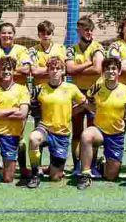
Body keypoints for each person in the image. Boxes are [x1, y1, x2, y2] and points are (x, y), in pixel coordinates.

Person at [77, 58, 126, 190]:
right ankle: (85, 174)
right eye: (107, 69)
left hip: (116, 135)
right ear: (103, 72)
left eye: (114, 69)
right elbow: (88, 101)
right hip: (99, 131)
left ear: (119, 71)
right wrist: (93, 109)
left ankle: (101, 165)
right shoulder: (97, 87)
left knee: (111, 176)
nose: (110, 71)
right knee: (86, 135)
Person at [27, 57, 87, 188]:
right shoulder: (39, 89)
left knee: (55, 178)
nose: (55, 71)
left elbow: (84, 104)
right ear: (47, 71)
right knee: (33, 138)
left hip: (62, 133)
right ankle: (35, 174)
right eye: (52, 69)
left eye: (58, 68)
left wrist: (71, 111)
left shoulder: (71, 88)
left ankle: (51, 168)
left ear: (63, 71)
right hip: (45, 129)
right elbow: (31, 106)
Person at [0, 22, 32, 176]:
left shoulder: (22, 50)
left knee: (19, 136)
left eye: (9, 33)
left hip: (19, 96)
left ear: (14, 34)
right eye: (3, 33)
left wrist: (6, 69)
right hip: (0, 97)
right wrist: (11, 70)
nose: (6, 36)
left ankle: (22, 166)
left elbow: (27, 69)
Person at [0, 57, 30, 188]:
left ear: (13, 71)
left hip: (11, 136)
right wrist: (13, 110)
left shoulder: (22, 89)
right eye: (3, 69)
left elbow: (22, 114)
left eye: (9, 69)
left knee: (8, 179)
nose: (6, 71)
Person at [65, 16, 104, 176]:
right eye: (85, 29)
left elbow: (98, 69)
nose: (88, 32)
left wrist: (78, 67)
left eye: (90, 29)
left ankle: (92, 165)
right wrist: (88, 63)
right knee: (77, 131)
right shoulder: (71, 49)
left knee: (92, 131)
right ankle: (77, 166)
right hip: (76, 93)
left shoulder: (97, 47)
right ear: (78, 30)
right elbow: (70, 70)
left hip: (95, 94)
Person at [28, 20, 66, 85]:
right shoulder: (32, 50)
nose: (46, 36)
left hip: (58, 87)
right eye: (43, 33)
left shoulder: (61, 48)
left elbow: (64, 70)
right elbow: (34, 71)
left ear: (52, 34)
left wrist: (43, 70)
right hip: (40, 87)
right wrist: (54, 69)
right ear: (38, 35)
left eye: (48, 33)